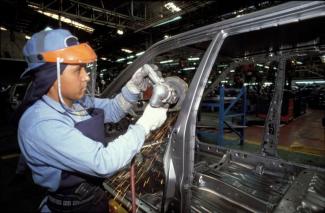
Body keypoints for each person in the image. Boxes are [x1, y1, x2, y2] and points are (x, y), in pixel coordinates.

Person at [16, 27, 168, 212]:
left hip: (94, 198)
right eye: (77, 70)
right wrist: (144, 125)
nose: (86, 77)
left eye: (85, 69)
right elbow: (102, 162)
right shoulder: (41, 124)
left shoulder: (76, 102)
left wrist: (133, 87)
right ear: (52, 76)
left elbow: (112, 110)